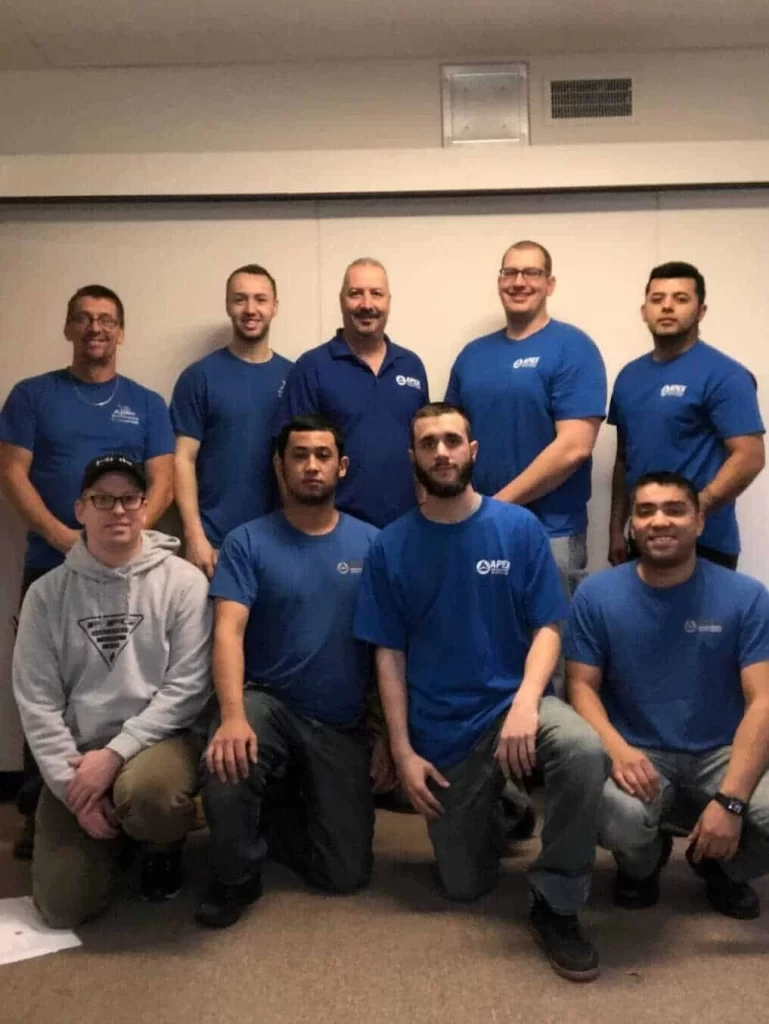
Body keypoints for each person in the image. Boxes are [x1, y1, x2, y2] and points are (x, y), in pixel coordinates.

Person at [353, 402, 609, 983]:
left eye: (452, 440)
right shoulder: (389, 547)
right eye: (428, 443)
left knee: (582, 749)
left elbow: (548, 625)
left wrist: (527, 701)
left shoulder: (517, 528)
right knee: (464, 886)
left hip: (515, 705)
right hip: (444, 727)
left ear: (473, 451)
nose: (441, 452)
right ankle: (506, 803)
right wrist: (402, 750)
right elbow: (387, 655)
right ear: (413, 458)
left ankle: (558, 902)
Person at [0, 283, 176, 859]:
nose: (95, 329)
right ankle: (43, 804)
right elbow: (12, 472)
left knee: (129, 682)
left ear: (121, 332)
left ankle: (136, 803)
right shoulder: (31, 396)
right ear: (68, 328)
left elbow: (162, 475)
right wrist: (62, 536)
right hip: (52, 568)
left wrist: (124, 536)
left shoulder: (147, 403)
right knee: (44, 692)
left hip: (130, 575)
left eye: (106, 320)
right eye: (84, 319)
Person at [196, 414, 380, 929]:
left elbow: (389, 648)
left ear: (341, 467)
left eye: (323, 455)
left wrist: (386, 732)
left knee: (345, 876)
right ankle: (235, 875)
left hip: (339, 722)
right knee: (228, 755)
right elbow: (228, 631)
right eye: (299, 455)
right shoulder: (247, 542)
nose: (311, 466)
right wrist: (231, 715)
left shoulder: (372, 545)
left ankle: (280, 816)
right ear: (280, 466)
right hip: (268, 703)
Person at [12, 455, 211, 927]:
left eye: (128, 499)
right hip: (79, 753)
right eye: (103, 499)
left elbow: (188, 687)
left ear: (145, 507)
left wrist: (117, 753)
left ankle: (162, 842)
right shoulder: (45, 595)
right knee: (63, 908)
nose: (117, 510)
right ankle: (110, 829)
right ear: (81, 510)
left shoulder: (183, 582)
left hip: (159, 742)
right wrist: (72, 790)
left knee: (152, 798)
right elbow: (37, 701)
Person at [567, 471, 769, 921]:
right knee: (613, 815)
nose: (659, 521)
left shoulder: (747, 596)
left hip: (722, 750)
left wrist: (732, 801)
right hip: (639, 753)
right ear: (631, 526)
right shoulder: (596, 595)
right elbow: (580, 686)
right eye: (646, 511)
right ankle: (642, 865)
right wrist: (616, 750)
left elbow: (764, 701)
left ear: (699, 522)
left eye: (675, 510)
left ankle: (720, 865)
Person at [446, 240, 606, 596]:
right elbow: (451, 439)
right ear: (500, 281)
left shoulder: (574, 348)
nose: (519, 282)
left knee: (553, 641)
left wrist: (496, 505)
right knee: (486, 639)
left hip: (551, 533)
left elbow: (574, 448)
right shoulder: (472, 355)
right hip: (477, 528)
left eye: (531, 272)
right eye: (510, 272)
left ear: (550, 284)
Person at [608, 261, 765, 570]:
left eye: (680, 299)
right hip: (643, 538)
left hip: (705, 542)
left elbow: (750, 457)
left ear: (701, 311)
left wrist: (691, 512)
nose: (667, 307)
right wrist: (617, 528)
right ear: (644, 311)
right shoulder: (628, 376)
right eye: (658, 299)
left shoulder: (725, 375)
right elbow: (624, 459)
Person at [276, 258, 429, 529]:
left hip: (407, 528)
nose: (367, 304)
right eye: (356, 293)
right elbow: (286, 456)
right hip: (336, 533)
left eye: (376, 294)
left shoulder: (412, 365)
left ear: (389, 302)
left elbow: (422, 450)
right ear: (341, 300)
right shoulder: (312, 367)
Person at [170, 264, 293, 579]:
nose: (250, 309)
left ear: (275, 307)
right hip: (214, 545)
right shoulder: (199, 377)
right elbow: (182, 459)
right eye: (240, 299)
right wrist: (194, 536)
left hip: (282, 543)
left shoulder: (295, 377)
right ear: (228, 305)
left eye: (260, 299)